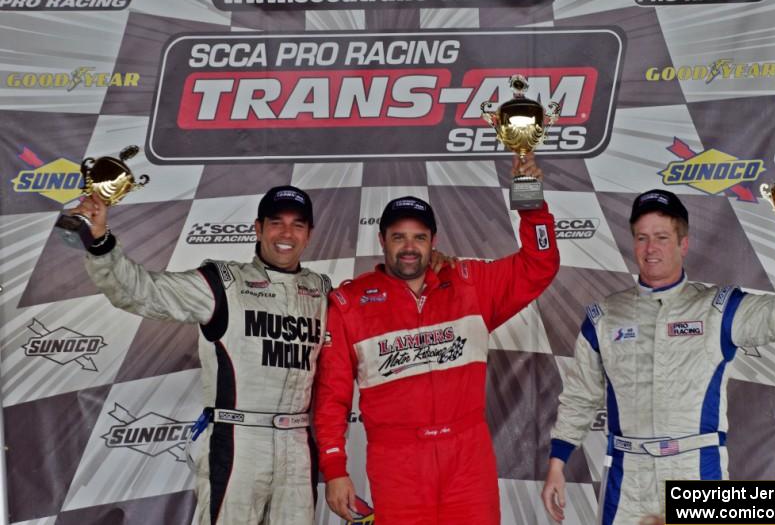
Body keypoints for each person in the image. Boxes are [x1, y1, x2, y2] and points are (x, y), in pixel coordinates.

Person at [541, 189, 775, 525]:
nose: (650, 248)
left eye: (661, 237)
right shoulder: (605, 316)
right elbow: (580, 396)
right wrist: (557, 463)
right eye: (642, 238)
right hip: (629, 478)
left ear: (683, 244)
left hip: (695, 471)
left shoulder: (718, 308)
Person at [313, 154, 560, 524]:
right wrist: (334, 468)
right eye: (399, 237)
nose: (409, 247)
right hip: (397, 463)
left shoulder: (470, 283)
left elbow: (539, 265)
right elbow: (331, 397)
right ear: (382, 240)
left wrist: (532, 202)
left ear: (433, 241)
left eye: (419, 237)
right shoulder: (350, 304)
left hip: (467, 456)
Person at [75, 185, 331, 525]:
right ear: (258, 228)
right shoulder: (222, 283)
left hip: (298, 442)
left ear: (309, 233)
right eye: (276, 223)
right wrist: (100, 241)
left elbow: (374, 319)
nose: (287, 233)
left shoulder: (322, 291)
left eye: (298, 224)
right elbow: (141, 291)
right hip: (238, 441)